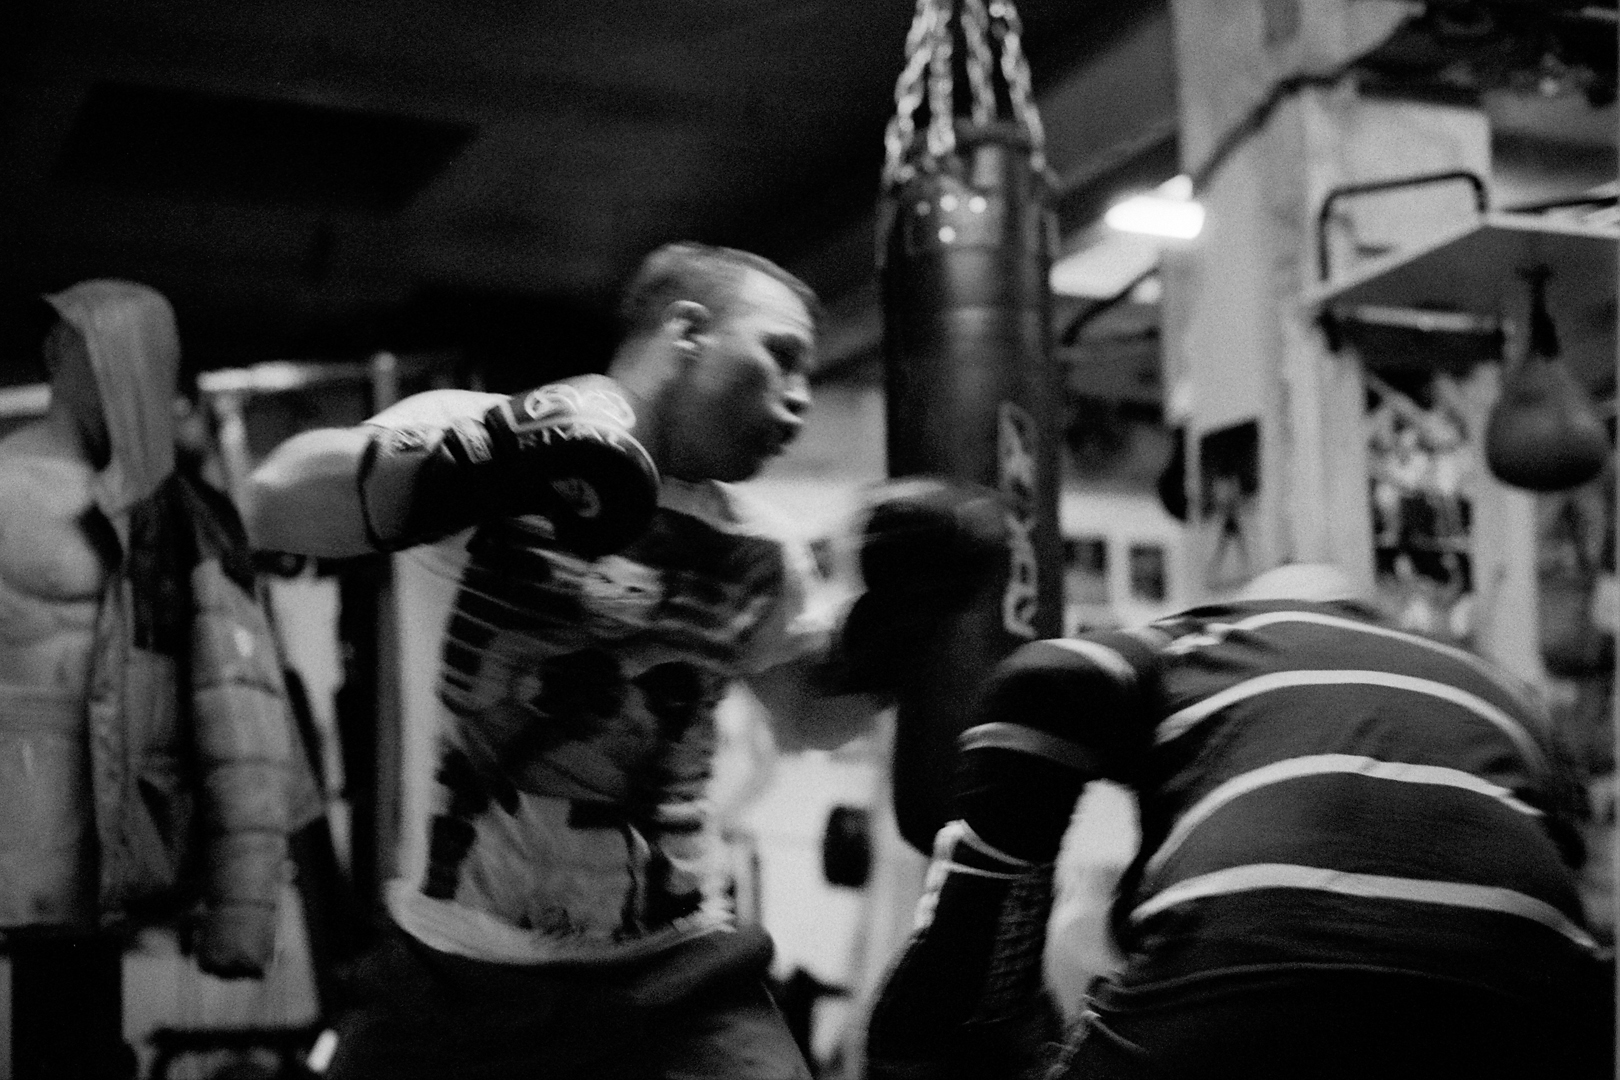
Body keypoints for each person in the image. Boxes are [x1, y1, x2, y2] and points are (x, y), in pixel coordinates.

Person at [245, 241, 1001, 1080]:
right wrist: (498, 454)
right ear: (687, 329)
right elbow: (274, 502)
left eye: (806, 375)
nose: (798, 397)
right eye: (779, 356)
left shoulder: (761, 547)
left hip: (675, 978)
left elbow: (809, 718)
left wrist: (900, 631)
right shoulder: (476, 428)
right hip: (453, 974)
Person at [865, 562, 1611, 1080]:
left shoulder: (1217, 640)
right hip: (1530, 1004)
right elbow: (1575, 865)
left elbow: (1048, 679)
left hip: (1261, 951)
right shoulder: (1497, 688)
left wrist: (983, 980)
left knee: (935, 1040)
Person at [0, 281, 311, 1079]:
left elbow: (241, 716)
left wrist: (242, 909)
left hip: (112, 849)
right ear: (58, 353)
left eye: (152, 358)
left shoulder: (180, 519)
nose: (132, 373)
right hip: (25, 837)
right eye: (108, 349)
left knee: (74, 1046)